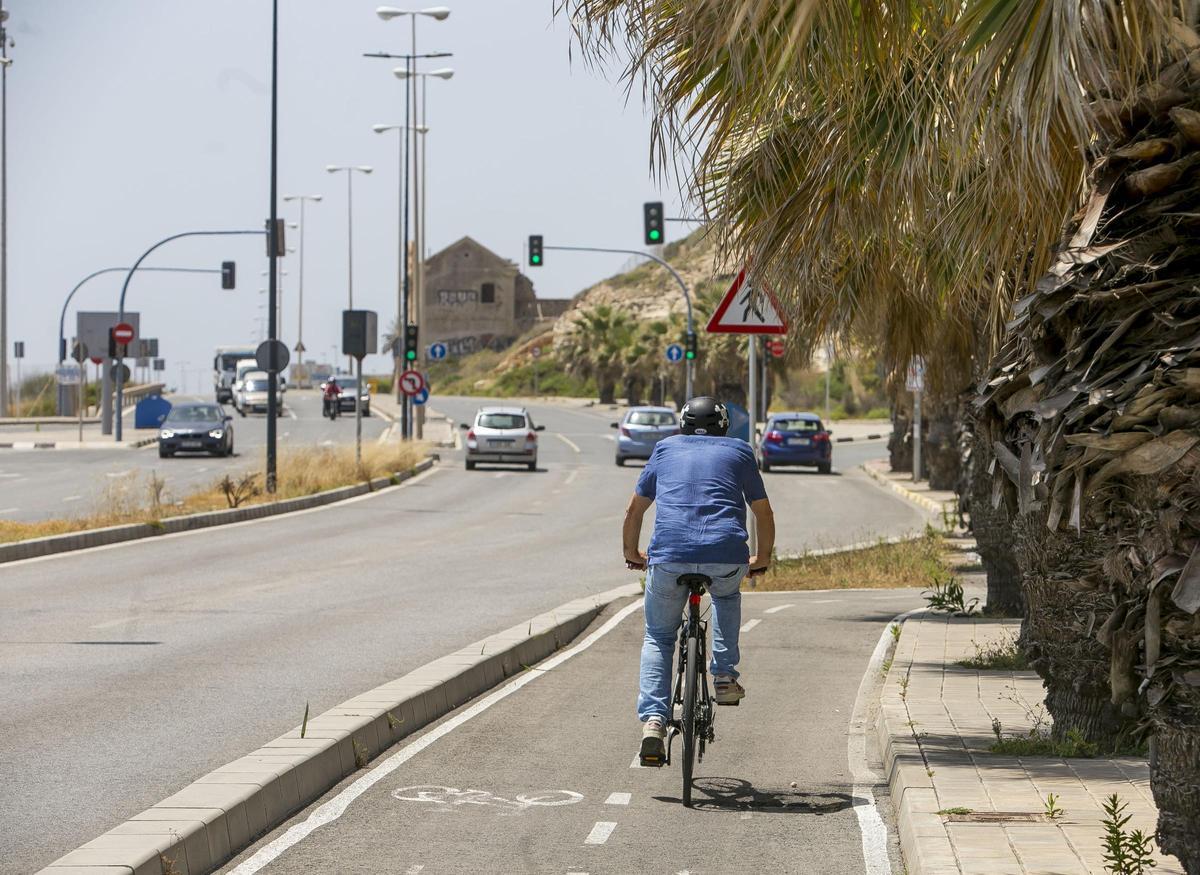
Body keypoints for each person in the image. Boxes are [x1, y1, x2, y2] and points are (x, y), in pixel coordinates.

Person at [623, 396, 775, 766]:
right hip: (725, 553)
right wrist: (762, 559)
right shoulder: (740, 452)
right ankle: (723, 677)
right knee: (725, 597)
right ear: (724, 426)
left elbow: (635, 510)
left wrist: (633, 554)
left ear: (682, 424)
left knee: (659, 636)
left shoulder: (663, 449)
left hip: (669, 555)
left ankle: (654, 724)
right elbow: (763, 512)